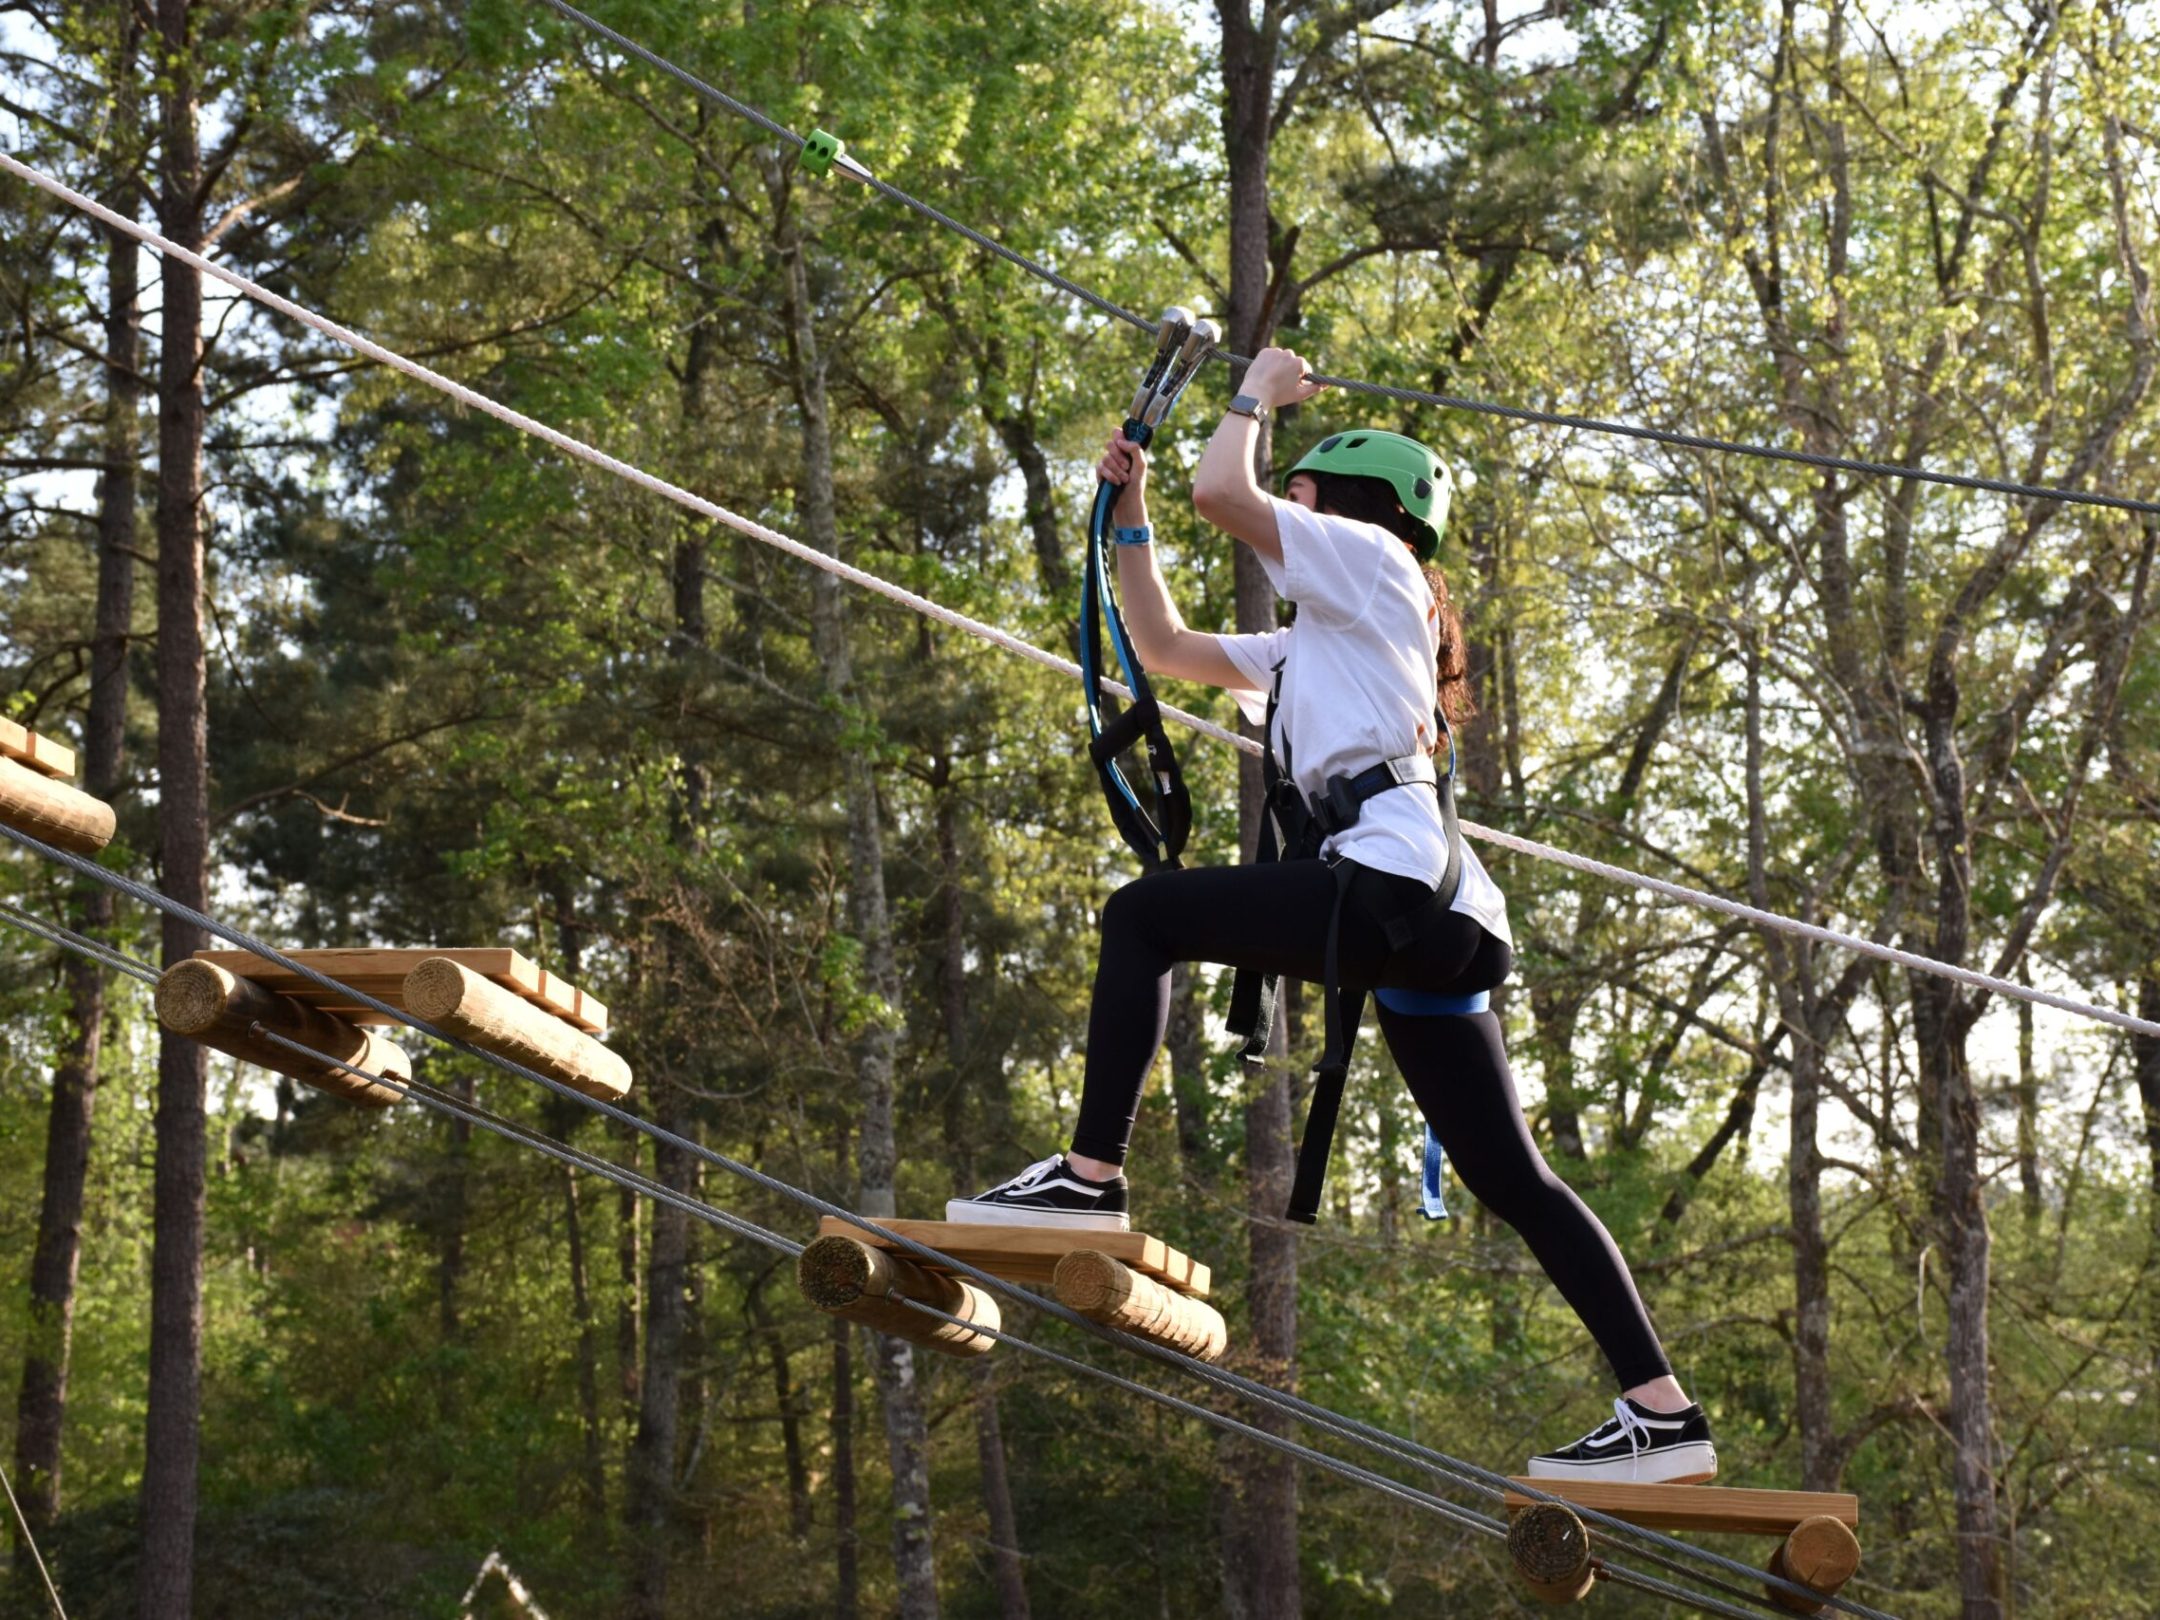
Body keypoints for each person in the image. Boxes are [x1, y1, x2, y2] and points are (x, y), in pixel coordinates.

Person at [949, 346, 1715, 1484]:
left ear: (1356, 506)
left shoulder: (1370, 560)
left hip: (1393, 886)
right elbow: (1162, 646)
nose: (1281, 503)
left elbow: (1229, 493)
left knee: (1142, 917)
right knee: (1514, 1180)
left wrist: (1254, 392)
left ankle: (1088, 1177)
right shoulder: (1321, 637)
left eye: (1299, 488)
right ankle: (1662, 1417)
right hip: (1425, 915)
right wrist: (1131, 513)